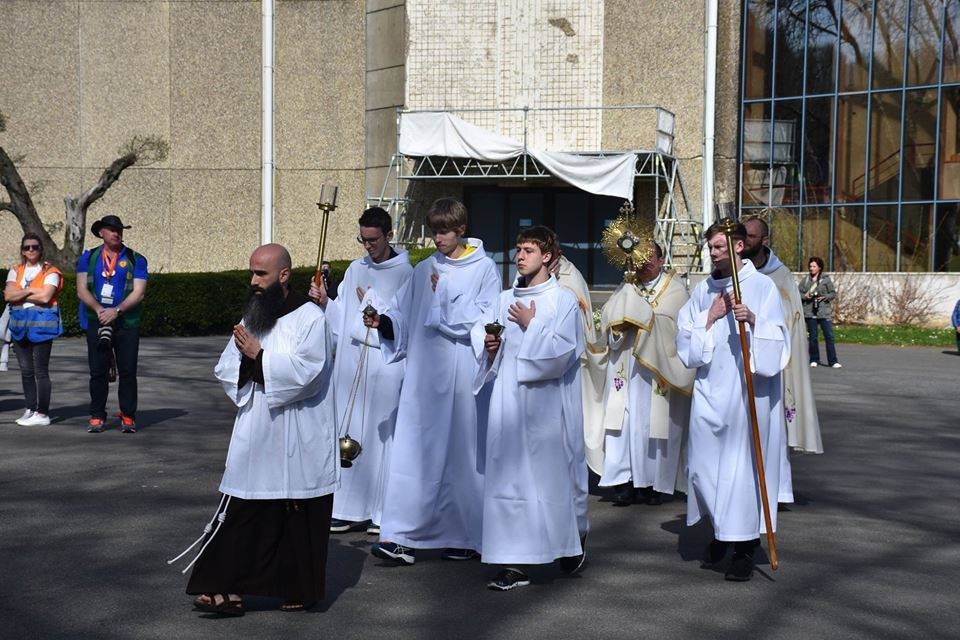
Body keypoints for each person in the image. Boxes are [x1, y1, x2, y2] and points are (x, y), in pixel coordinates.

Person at [175, 244, 338, 615]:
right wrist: (248, 360)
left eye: (260, 274)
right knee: (244, 508)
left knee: (296, 512)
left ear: (283, 275)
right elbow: (226, 366)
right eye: (251, 273)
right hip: (259, 427)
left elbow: (309, 373)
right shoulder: (254, 316)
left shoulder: (310, 317)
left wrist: (259, 357)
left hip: (297, 428)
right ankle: (223, 585)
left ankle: (297, 587)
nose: (253, 281)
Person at [364, 198, 500, 566]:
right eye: (434, 231)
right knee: (413, 455)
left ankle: (466, 536)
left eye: (444, 231)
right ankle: (401, 537)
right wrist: (385, 323)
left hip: (460, 381)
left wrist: (442, 303)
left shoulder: (484, 270)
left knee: (461, 458)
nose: (437, 238)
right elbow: (403, 313)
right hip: (423, 380)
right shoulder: (424, 270)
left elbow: (484, 321)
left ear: (460, 230)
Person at [676, 220, 792, 582]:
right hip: (711, 391)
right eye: (710, 248)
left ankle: (742, 548)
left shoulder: (762, 287)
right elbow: (686, 338)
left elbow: (779, 339)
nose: (711, 254)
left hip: (747, 396)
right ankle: (720, 531)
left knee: (742, 473)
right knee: (703, 467)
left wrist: (754, 320)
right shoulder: (702, 290)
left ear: (739, 247)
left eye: (718, 248)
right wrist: (709, 317)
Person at [473, 226, 587, 590]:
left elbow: (565, 353)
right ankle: (513, 562)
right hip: (507, 402)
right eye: (518, 249)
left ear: (548, 257)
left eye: (528, 250)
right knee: (508, 481)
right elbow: (484, 335)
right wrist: (489, 344)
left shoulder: (562, 300)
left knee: (546, 481)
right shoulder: (503, 296)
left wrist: (531, 324)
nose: (520, 256)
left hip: (544, 406)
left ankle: (565, 545)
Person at [309, 207, 413, 535]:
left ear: (389, 235)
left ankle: (380, 510)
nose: (367, 246)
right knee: (350, 430)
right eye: (362, 239)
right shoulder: (356, 268)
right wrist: (327, 302)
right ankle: (349, 508)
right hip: (353, 362)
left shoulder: (406, 274)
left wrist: (374, 311)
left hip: (385, 364)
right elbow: (343, 318)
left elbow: (402, 326)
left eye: (373, 240)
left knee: (381, 440)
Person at [585, 242, 694, 507]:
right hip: (625, 365)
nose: (643, 262)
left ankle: (654, 484)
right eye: (639, 257)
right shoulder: (626, 287)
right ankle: (624, 481)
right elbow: (608, 319)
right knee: (622, 424)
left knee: (654, 425)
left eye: (649, 257)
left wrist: (644, 319)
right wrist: (617, 327)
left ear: (660, 260)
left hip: (656, 372)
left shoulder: (676, 290)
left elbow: (674, 324)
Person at [742, 216, 822, 455]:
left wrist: (759, 319)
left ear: (764, 240)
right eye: (742, 235)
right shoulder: (734, 271)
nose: (744, 241)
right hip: (741, 353)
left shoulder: (781, 275)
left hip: (771, 357)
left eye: (751, 236)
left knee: (771, 432)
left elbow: (790, 319)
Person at [76, 215, 148, 433]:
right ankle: (97, 416)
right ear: (101, 233)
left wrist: (116, 311)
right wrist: (100, 311)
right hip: (97, 320)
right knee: (98, 371)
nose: (117, 233)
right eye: (111, 229)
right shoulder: (88, 258)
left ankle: (128, 415)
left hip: (127, 321)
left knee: (127, 371)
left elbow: (139, 292)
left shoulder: (136, 259)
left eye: (119, 230)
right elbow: (81, 290)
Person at [4, 233, 64, 426]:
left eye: (35, 247)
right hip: (20, 327)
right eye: (27, 247)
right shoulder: (16, 270)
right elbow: (8, 295)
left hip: (42, 328)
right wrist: (32, 291)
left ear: (41, 249)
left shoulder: (51, 271)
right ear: (22, 250)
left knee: (41, 372)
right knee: (26, 371)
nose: (31, 250)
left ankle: (42, 413)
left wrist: (22, 292)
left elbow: (46, 297)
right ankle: (30, 408)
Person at [798, 257, 840, 368]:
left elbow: (833, 293)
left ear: (819, 268)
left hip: (823, 312)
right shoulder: (805, 280)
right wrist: (805, 296)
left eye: (814, 266)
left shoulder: (826, 280)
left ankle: (833, 361)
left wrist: (824, 297)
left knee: (829, 336)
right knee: (813, 337)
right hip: (810, 312)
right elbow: (797, 294)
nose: (811, 268)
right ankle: (814, 359)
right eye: (810, 266)